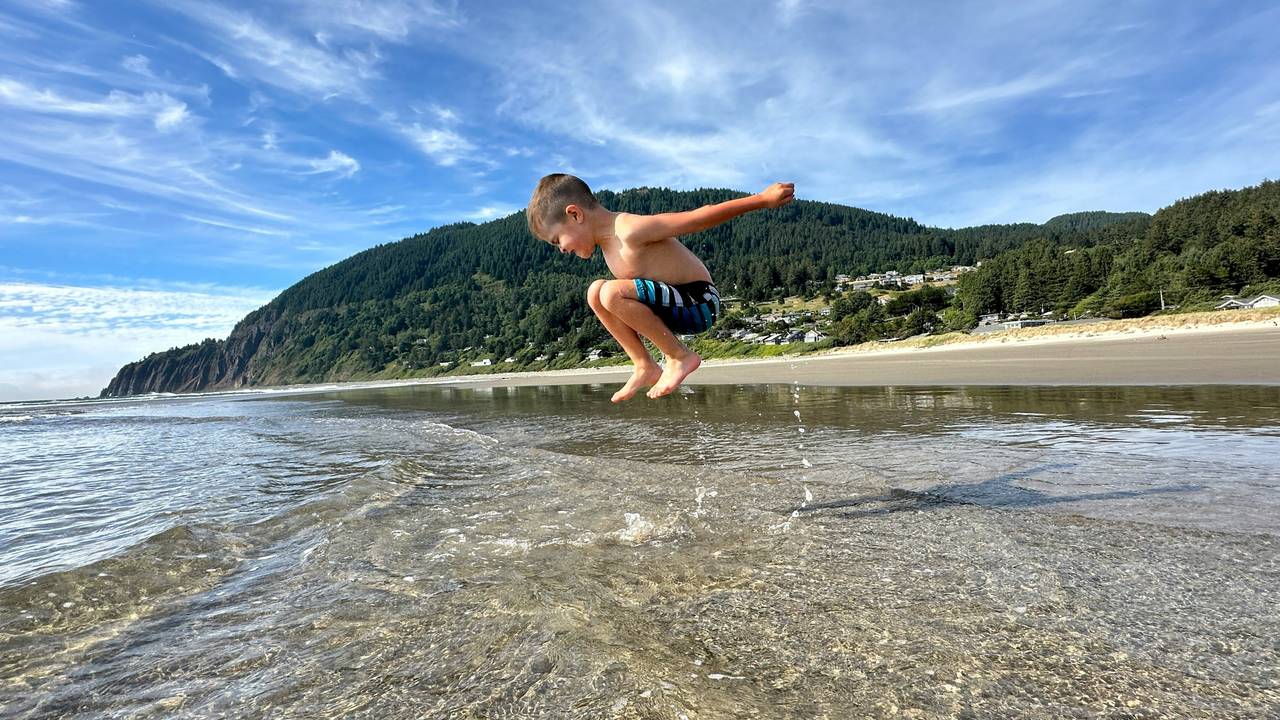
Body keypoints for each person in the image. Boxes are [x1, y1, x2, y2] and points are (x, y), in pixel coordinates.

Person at [527, 174, 796, 401]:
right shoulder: (609, 247)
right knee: (595, 291)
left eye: (556, 240)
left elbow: (698, 218)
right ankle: (644, 364)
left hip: (700, 301)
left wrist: (762, 200)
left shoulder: (628, 230)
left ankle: (680, 357)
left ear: (574, 214)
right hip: (675, 306)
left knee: (610, 291)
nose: (561, 249)